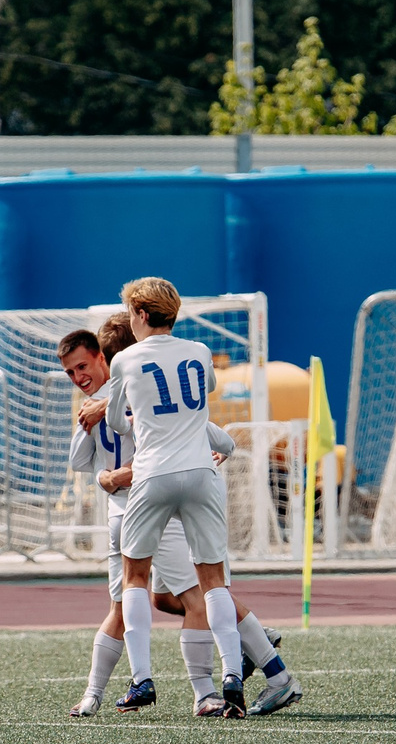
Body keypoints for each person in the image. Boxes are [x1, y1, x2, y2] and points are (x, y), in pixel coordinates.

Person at [62, 317, 298, 716]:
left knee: (196, 594)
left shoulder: (135, 393)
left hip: (156, 505)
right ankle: (98, 692)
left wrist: (117, 472)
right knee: (160, 598)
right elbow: (81, 460)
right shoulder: (106, 403)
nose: (78, 376)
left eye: (84, 366)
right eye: (71, 371)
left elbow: (185, 446)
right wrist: (106, 469)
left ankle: (237, 678)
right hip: (133, 509)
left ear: (110, 358)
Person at [105, 277, 254, 716]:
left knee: (134, 577)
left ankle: (142, 679)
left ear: (142, 314)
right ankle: (231, 673)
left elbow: (116, 422)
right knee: (213, 581)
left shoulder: (126, 359)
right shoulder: (200, 352)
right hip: (201, 473)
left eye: (131, 313)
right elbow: (202, 393)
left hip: (153, 475)